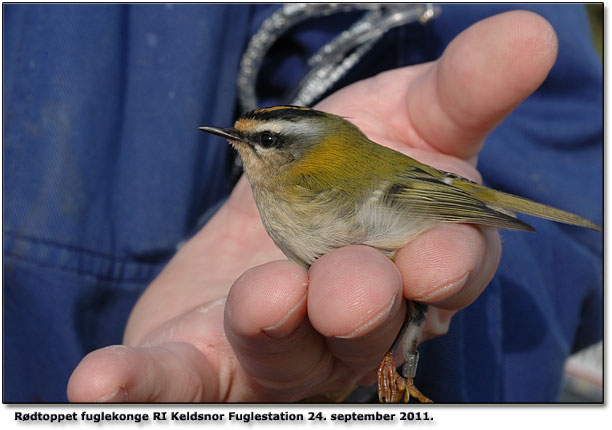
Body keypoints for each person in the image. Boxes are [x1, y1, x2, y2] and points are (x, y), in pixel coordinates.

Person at [3, 4, 601, 402]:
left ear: (291, 154)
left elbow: (408, 197)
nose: (242, 145)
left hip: (422, 206)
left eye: (261, 141)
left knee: (400, 281)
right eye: (244, 136)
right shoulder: (289, 177)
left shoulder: (303, 183)